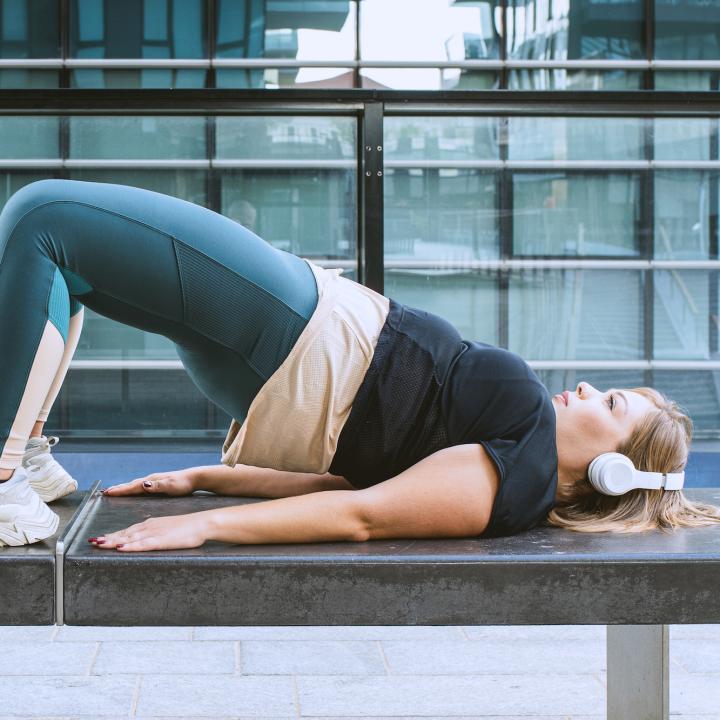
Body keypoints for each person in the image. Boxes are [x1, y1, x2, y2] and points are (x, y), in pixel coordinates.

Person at [1, 179, 718, 551]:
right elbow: (353, 478)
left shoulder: (515, 474)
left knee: (41, 222)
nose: (591, 390)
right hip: (289, 359)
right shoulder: (509, 465)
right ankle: (24, 455)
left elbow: (362, 516)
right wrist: (205, 479)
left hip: (303, 333)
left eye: (615, 405)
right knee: (71, 268)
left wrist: (204, 526)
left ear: (611, 473)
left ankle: (4, 470)